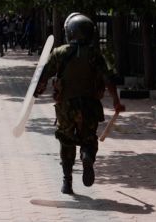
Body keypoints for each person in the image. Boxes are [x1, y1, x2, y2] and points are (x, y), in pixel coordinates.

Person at [34, 13, 125, 195]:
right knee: (89, 138)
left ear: (70, 32)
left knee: (66, 140)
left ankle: (67, 182)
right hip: (90, 105)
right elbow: (108, 79)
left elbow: (43, 75)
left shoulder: (60, 53)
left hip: (66, 107)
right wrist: (116, 100)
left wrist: (36, 91)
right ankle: (87, 156)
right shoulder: (94, 55)